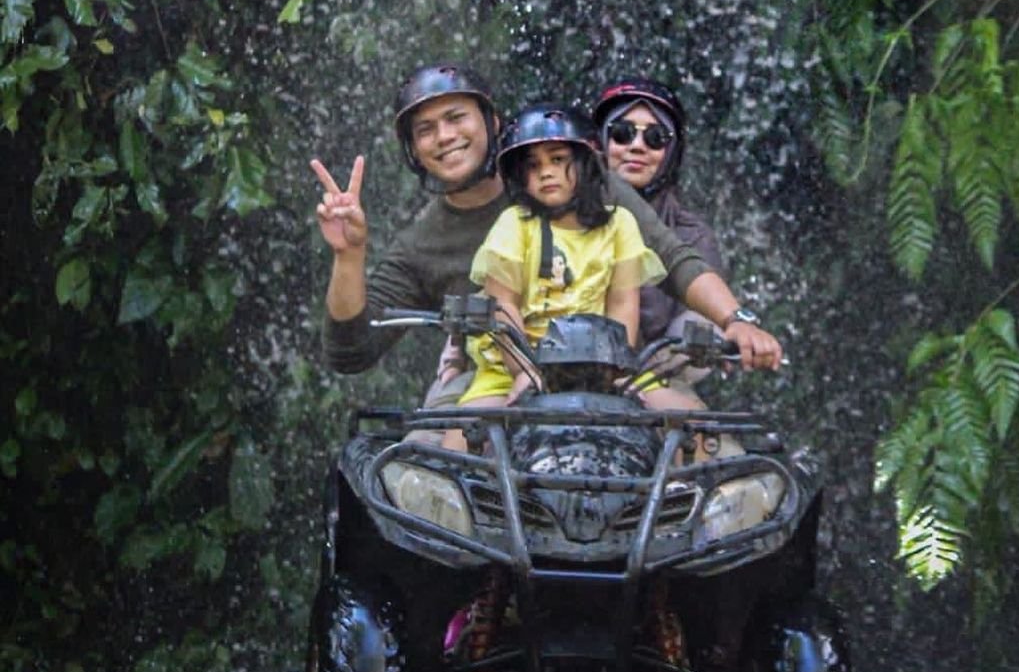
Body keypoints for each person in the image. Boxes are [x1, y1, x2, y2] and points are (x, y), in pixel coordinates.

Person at [312, 63, 780, 402]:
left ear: (492, 124)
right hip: (494, 382)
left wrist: (736, 319)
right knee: (418, 470)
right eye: (426, 129)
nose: (445, 136)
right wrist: (349, 256)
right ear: (414, 150)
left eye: (457, 118)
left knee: (720, 469)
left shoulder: (578, 182)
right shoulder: (423, 243)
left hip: (612, 379)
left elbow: (675, 259)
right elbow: (351, 350)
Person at [455, 101, 667, 411]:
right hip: (514, 366)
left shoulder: (619, 224)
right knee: (462, 438)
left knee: (688, 424)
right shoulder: (514, 224)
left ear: (586, 163)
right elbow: (502, 305)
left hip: (599, 365)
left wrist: (616, 369)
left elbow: (623, 303)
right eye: (533, 165)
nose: (546, 173)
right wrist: (525, 370)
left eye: (557, 159)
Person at [593, 75, 781, 378]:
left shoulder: (692, 234)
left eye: (655, 138)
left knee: (701, 327)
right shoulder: (557, 205)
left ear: (672, 152)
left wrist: (737, 322)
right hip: (560, 370)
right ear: (598, 143)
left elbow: (702, 312)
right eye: (622, 133)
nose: (637, 146)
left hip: (654, 381)